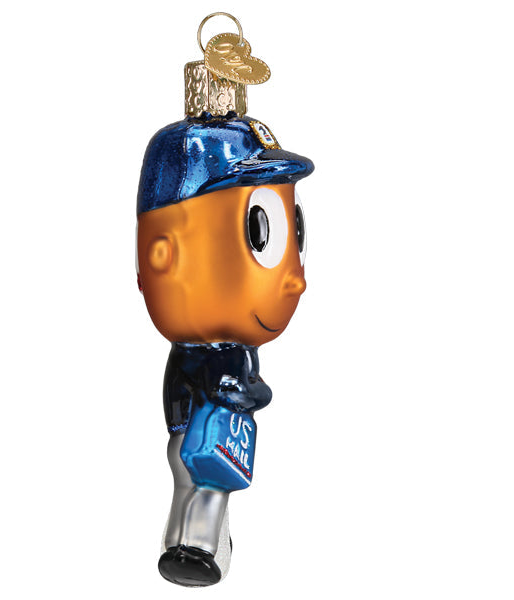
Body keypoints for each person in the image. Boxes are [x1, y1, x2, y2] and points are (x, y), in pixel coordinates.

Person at [136, 112, 314, 586]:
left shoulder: (194, 351)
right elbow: (230, 387)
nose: (295, 279)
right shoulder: (219, 352)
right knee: (209, 486)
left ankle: (187, 544)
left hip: (188, 431)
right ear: (163, 254)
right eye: (261, 232)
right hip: (211, 435)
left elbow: (181, 388)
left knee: (189, 482)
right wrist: (251, 393)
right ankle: (196, 547)